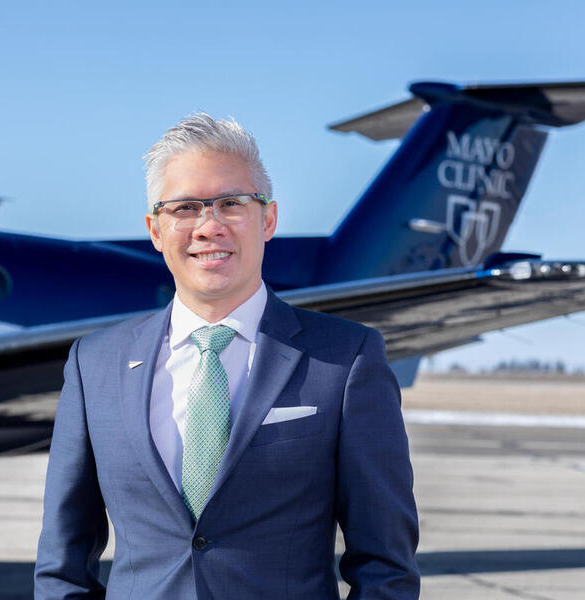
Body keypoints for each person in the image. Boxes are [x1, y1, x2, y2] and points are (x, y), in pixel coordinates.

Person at [34, 114, 419, 599]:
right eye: (186, 207)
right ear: (156, 229)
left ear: (269, 219)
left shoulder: (346, 360)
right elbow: (61, 564)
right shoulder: (95, 365)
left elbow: (386, 564)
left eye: (231, 204)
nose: (209, 226)